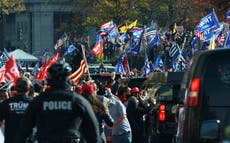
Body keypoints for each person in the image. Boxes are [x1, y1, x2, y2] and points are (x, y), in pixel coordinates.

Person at [16, 61, 101, 143]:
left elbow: (23, 131)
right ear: (68, 77)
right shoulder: (79, 101)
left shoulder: (39, 101)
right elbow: (93, 134)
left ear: (50, 77)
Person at [0, 77, 32, 143]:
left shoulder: (6, 103)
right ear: (28, 88)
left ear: (15, 88)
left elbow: (0, 122)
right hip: (27, 140)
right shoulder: (33, 103)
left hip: (10, 140)